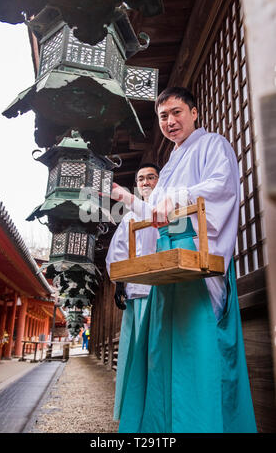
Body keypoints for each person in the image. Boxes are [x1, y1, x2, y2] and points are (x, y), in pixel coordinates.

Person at [110, 87, 257, 433]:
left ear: (194, 112)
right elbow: (155, 215)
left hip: (196, 257)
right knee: (163, 353)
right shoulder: (172, 163)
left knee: (196, 350)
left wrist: (175, 198)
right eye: (163, 116)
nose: (171, 121)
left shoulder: (213, 145)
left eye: (177, 112)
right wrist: (125, 198)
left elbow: (221, 187)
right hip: (168, 261)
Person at [106, 163, 160, 421]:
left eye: (151, 177)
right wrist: (119, 284)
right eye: (141, 178)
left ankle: (156, 412)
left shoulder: (166, 209)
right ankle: (134, 411)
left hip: (161, 290)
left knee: (156, 353)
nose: (146, 182)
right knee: (135, 355)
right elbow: (118, 252)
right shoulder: (129, 217)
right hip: (136, 292)